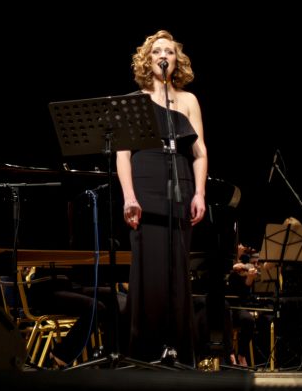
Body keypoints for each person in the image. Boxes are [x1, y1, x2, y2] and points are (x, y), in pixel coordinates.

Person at [117, 29, 208, 366]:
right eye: (156, 51)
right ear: (147, 59)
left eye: (168, 51)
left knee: (176, 268)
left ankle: (178, 350)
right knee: (148, 269)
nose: (162, 56)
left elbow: (199, 153)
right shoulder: (134, 100)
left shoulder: (188, 100)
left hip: (179, 184)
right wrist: (129, 196)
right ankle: (144, 352)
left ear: (176, 59)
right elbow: (123, 154)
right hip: (145, 184)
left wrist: (199, 193)